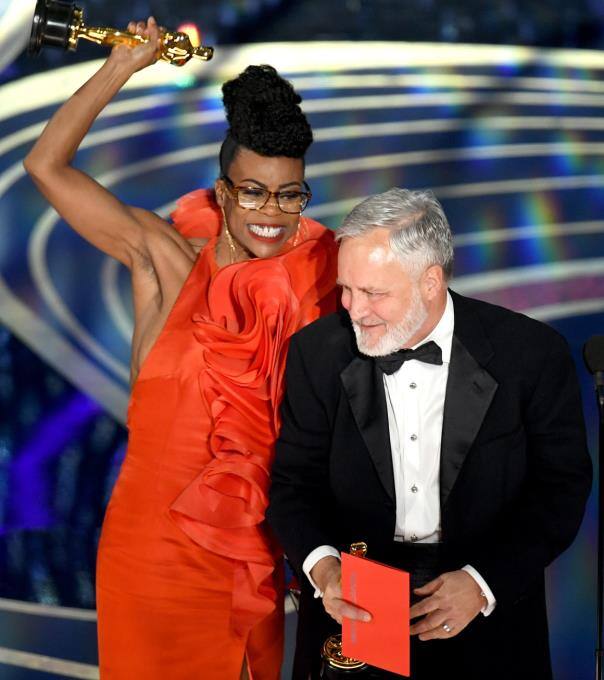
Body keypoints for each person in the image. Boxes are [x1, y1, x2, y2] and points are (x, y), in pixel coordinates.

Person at [23, 17, 337, 680]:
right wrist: (120, 67)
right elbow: (44, 166)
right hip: (149, 556)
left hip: (247, 555)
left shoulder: (313, 284)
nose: (271, 213)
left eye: (289, 195)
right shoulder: (163, 259)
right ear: (223, 192)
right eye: (253, 191)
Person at [266, 188, 592, 680]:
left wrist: (482, 583)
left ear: (431, 281)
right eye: (346, 289)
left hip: (487, 612)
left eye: (374, 293)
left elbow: (560, 488)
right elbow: (293, 486)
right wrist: (325, 569)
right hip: (355, 610)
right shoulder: (316, 353)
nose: (353, 309)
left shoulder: (532, 354)